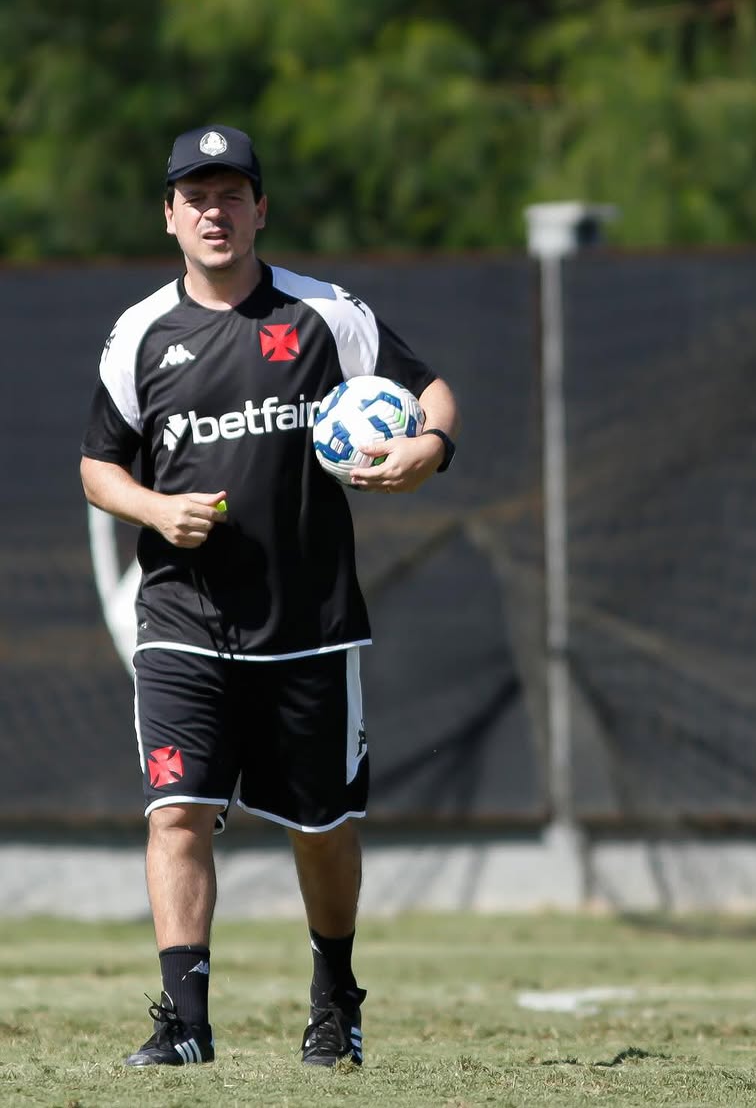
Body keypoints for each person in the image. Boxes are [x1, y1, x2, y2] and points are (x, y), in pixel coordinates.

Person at [79, 124, 459, 1070]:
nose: (214, 213)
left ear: (261, 210)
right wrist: (156, 510)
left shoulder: (327, 314)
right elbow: (98, 467)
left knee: (322, 830)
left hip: (308, 624)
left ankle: (335, 1000)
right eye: (195, 198)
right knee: (176, 813)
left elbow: (432, 393)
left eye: (231, 195)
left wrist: (427, 448)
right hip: (182, 617)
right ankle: (185, 1023)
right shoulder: (140, 334)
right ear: (169, 216)